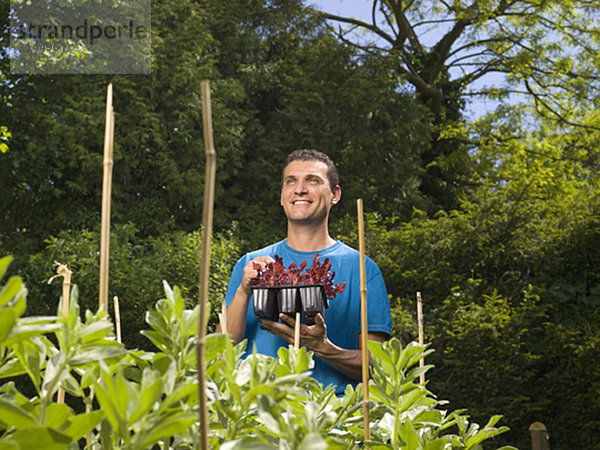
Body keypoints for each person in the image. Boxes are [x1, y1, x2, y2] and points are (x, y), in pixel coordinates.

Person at [219, 149, 391, 395]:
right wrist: (244, 290)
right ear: (282, 196)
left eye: (313, 180)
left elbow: (380, 367)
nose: (299, 189)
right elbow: (221, 353)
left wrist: (322, 347)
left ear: (335, 194)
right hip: (258, 421)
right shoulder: (249, 265)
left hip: (332, 422)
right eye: (291, 181)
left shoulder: (363, 270)